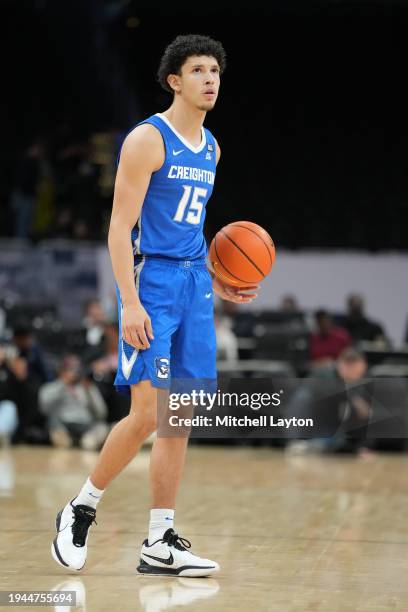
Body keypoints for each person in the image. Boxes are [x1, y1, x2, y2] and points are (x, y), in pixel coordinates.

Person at [51, 34, 259, 577]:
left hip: (195, 283)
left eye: (215, 69)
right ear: (175, 80)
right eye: (198, 70)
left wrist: (222, 277)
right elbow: (120, 229)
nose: (210, 78)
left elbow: (191, 228)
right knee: (146, 413)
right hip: (154, 284)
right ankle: (80, 508)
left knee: (179, 417)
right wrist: (131, 303)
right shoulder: (147, 139)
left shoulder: (211, 146)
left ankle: (159, 540)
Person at [39, 355, 108, 450]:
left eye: (76, 370)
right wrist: (63, 384)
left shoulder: (85, 388)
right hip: (62, 424)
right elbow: (44, 408)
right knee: (53, 424)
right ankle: (64, 442)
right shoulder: (51, 387)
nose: (74, 373)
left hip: (85, 425)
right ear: (61, 371)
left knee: (101, 426)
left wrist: (90, 390)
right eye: (69, 370)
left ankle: (88, 442)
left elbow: (101, 413)